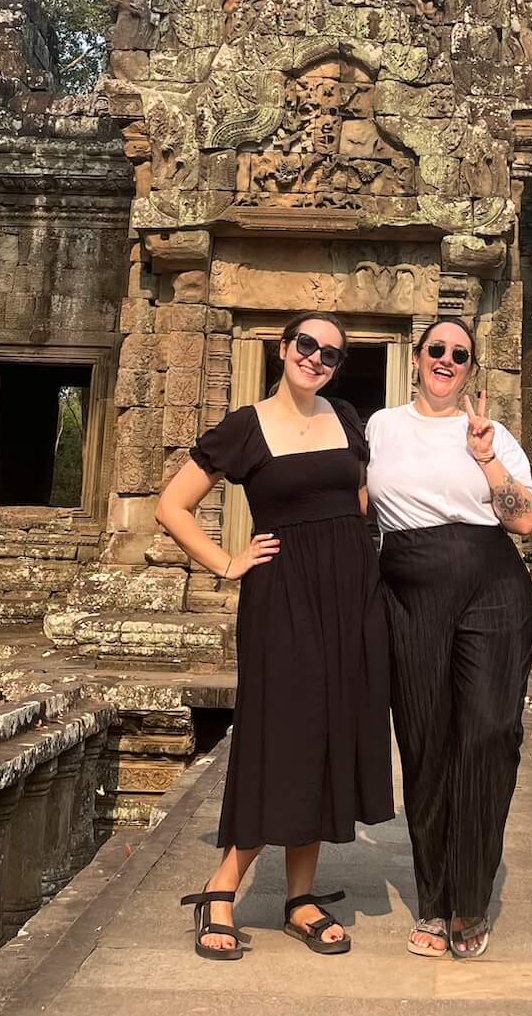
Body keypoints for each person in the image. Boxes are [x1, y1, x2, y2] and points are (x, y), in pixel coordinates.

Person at [154, 311, 393, 959]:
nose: (317, 358)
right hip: (283, 598)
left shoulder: (346, 418)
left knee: (327, 736)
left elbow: (362, 501)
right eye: (307, 345)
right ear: (283, 349)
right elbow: (172, 505)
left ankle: (300, 898)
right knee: (283, 736)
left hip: (349, 597)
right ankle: (221, 886)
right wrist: (227, 562)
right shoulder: (245, 426)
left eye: (332, 353)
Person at [367, 319, 532, 961]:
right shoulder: (381, 428)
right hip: (409, 593)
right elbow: (354, 502)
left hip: (491, 585)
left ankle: (471, 895)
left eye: (459, 355)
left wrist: (487, 457)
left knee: (490, 732)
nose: (446, 360)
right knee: (424, 740)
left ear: (471, 369)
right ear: (416, 359)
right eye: (435, 350)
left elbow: (524, 521)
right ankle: (434, 901)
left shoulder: (494, 438)